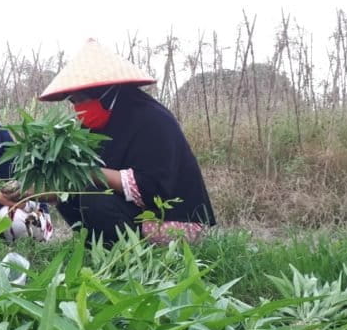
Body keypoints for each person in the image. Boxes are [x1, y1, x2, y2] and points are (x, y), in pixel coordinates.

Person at [38, 39, 215, 246]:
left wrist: (88, 173)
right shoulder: (97, 126)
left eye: (82, 99)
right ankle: (96, 250)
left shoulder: (152, 119)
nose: (79, 108)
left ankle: (126, 256)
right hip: (134, 213)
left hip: (173, 221)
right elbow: (74, 182)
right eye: (74, 102)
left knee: (93, 197)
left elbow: (152, 187)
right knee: (70, 197)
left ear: (107, 94)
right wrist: (38, 192)